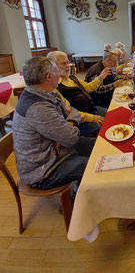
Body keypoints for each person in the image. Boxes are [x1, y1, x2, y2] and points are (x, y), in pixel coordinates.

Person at [12, 56, 95, 192]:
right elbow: (70, 138)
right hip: (44, 170)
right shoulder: (38, 107)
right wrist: (70, 123)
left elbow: (72, 111)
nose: (60, 74)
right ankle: (76, 206)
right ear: (49, 77)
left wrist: (67, 124)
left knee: (98, 145)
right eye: (57, 70)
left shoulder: (45, 94)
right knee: (97, 166)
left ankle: (82, 192)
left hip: (57, 150)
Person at [47, 51, 109, 119]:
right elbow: (69, 111)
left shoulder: (72, 77)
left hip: (92, 109)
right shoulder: (54, 87)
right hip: (81, 120)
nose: (68, 66)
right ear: (53, 66)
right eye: (64, 63)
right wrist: (92, 118)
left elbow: (88, 87)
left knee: (114, 114)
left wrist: (101, 77)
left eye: (68, 62)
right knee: (111, 124)